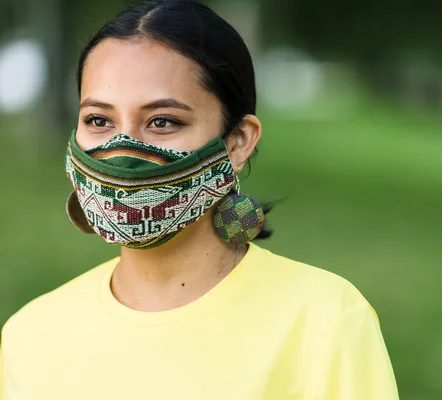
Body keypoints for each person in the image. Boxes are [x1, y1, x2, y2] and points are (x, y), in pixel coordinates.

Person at [0, 1, 399, 399]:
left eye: (163, 121)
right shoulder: (30, 335)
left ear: (238, 142)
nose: (123, 151)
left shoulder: (325, 321)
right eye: (99, 120)